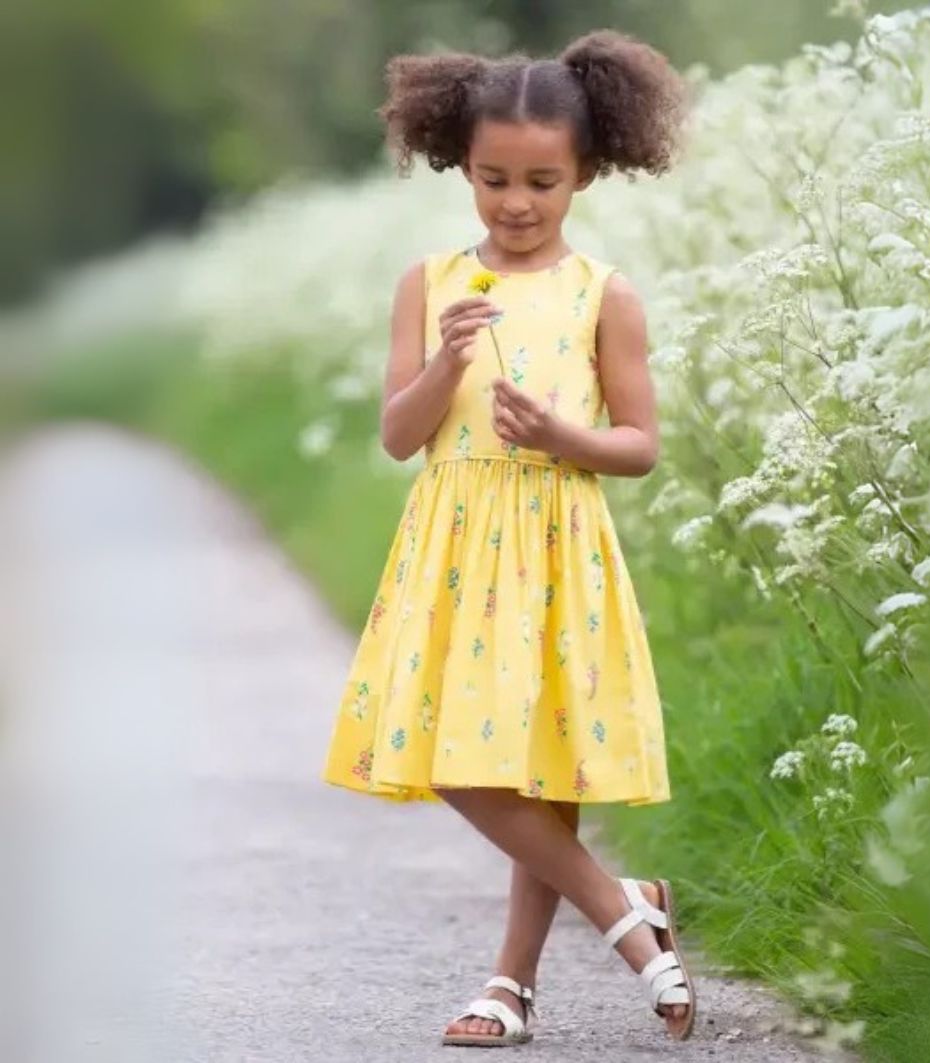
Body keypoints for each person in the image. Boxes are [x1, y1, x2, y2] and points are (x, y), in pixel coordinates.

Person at [321, 26, 696, 1046]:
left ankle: (510, 985)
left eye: (543, 181)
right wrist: (444, 367)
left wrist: (563, 434)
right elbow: (401, 434)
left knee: (541, 765)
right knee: (454, 752)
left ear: (585, 173)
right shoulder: (432, 281)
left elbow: (638, 445)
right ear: (459, 163)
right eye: (493, 179)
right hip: (450, 543)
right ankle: (626, 910)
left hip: (552, 542)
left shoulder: (600, 295)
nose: (516, 204)